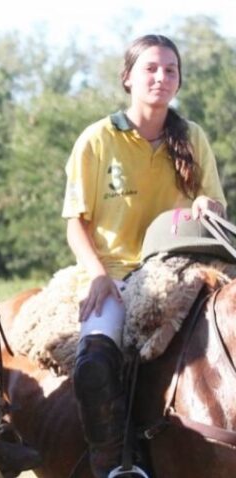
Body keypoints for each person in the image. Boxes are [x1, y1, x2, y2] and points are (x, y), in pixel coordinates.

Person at [63, 34, 226, 477]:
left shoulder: (192, 136)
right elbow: (75, 222)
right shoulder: (97, 139)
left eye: (170, 70)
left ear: (179, 81)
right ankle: (115, 465)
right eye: (150, 69)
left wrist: (205, 207)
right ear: (128, 78)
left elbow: (215, 204)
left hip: (183, 269)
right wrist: (96, 276)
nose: (161, 77)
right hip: (115, 272)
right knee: (95, 365)